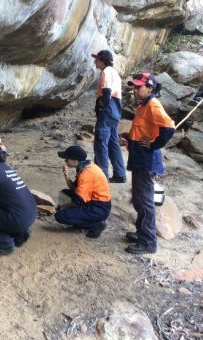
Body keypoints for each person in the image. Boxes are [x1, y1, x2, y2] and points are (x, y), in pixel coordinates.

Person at [120, 73, 175, 254]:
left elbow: (169, 126)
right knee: (139, 198)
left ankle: (148, 242)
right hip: (139, 157)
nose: (135, 90)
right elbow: (143, 128)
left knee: (144, 201)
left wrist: (154, 145)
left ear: (149, 88)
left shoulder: (152, 105)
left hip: (146, 159)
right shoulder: (143, 105)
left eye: (139, 87)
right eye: (134, 87)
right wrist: (130, 138)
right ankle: (141, 232)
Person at [54, 145, 111, 239]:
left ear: (74, 161)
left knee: (60, 216)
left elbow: (77, 201)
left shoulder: (86, 174)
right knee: (64, 193)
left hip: (99, 208)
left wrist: (61, 208)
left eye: (67, 159)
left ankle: (96, 225)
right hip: (94, 202)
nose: (65, 161)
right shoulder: (85, 166)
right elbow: (74, 189)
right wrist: (66, 176)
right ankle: (79, 220)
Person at [91, 50, 126, 183]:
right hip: (115, 109)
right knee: (113, 143)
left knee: (101, 143)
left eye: (97, 59)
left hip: (108, 110)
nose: (95, 62)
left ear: (102, 60)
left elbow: (106, 92)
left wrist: (101, 107)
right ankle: (120, 174)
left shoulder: (106, 72)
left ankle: (101, 178)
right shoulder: (114, 72)